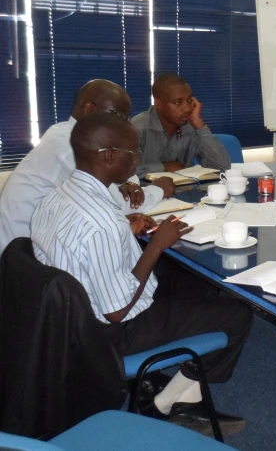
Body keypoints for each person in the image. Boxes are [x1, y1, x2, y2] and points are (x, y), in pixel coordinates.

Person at [30, 113, 252, 435]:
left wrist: (128, 232)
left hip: (71, 317)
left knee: (197, 284)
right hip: (113, 331)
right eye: (132, 154)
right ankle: (175, 402)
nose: (137, 162)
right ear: (108, 156)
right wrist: (155, 246)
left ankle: (177, 391)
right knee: (239, 315)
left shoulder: (57, 196)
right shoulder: (101, 222)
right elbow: (117, 310)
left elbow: (86, 254)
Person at [0, 79, 174, 255]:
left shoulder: (63, 131)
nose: (124, 124)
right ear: (90, 110)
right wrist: (159, 189)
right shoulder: (70, 148)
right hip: (24, 257)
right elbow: (116, 206)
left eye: (126, 117)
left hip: (43, 243)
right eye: (118, 115)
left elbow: (117, 175)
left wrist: (131, 182)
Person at [132, 73, 231, 176]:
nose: (187, 108)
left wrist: (199, 125)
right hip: (147, 191)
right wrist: (164, 167)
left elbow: (222, 167)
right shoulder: (137, 128)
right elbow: (123, 171)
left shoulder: (191, 126)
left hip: (187, 190)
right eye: (178, 102)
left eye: (189, 100)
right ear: (158, 103)